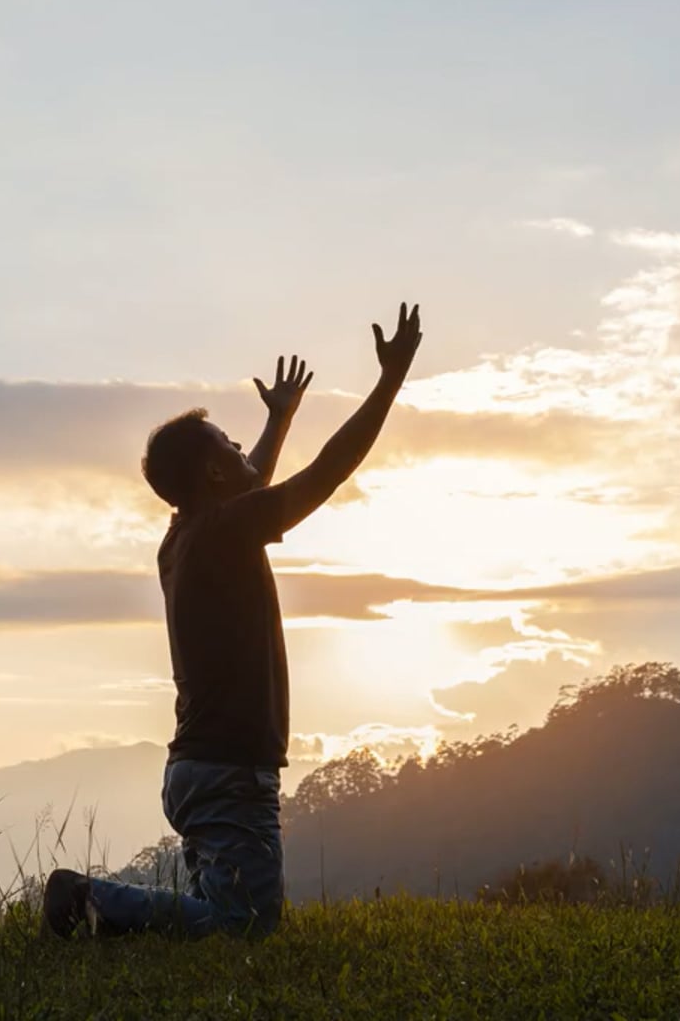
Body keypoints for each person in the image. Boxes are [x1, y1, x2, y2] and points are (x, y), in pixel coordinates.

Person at [43, 303, 424, 939]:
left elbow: (248, 488)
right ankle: (88, 897)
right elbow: (328, 473)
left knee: (219, 917)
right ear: (215, 472)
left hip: (198, 769)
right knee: (244, 924)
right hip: (226, 772)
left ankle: (106, 920)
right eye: (230, 442)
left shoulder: (187, 536)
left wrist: (278, 420)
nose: (242, 446)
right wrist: (389, 383)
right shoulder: (222, 533)